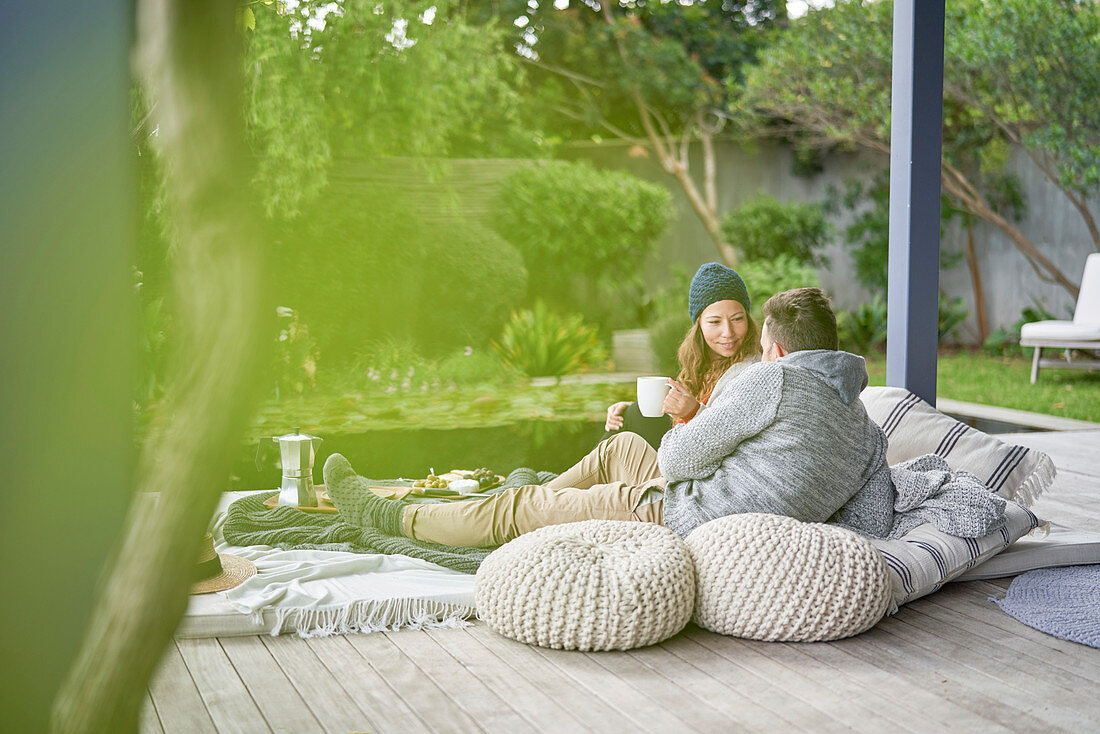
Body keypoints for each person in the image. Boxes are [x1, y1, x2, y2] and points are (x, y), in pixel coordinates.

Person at [324, 287, 895, 548]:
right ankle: (551, 502)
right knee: (617, 452)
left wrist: (694, 425)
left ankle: (389, 517)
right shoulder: (864, 425)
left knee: (514, 506)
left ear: (774, 346)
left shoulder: (775, 379)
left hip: (678, 515)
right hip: (710, 502)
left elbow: (677, 456)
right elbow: (873, 520)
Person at [603, 262, 760, 448]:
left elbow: (730, 436)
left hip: (701, 460)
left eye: (737, 319)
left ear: (748, 318)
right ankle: (576, 476)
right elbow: (676, 417)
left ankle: (570, 477)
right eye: (715, 322)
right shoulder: (702, 363)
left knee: (629, 422)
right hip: (683, 442)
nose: (728, 332)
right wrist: (634, 408)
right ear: (699, 325)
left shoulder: (754, 371)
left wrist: (692, 411)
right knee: (628, 415)